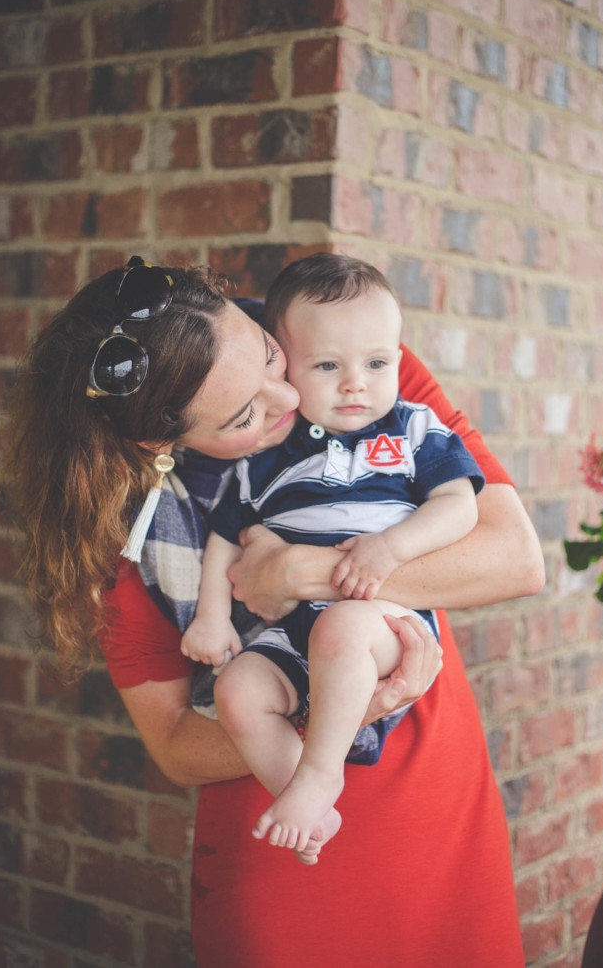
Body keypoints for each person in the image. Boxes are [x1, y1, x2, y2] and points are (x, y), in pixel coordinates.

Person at [0, 252, 545, 968]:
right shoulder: (127, 536)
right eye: (243, 414)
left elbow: (515, 556)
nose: (287, 398)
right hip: (286, 843)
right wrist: (346, 710)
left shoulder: (342, 356)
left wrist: (303, 570)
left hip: (437, 803)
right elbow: (173, 746)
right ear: (161, 444)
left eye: (266, 355)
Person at [182, 255, 485, 859]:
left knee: (344, 628)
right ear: (287, 369)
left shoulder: (412, 430)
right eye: (327, 365)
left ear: (398, 359)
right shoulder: (266, 458)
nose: (356, 383)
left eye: (376, 363)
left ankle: (322, 773)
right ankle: (306, 801)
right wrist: (212, 617)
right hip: (294, 633)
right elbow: (224, 537)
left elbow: (460, 506)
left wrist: (390, 547)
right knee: (237, 689)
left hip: (382, 622)